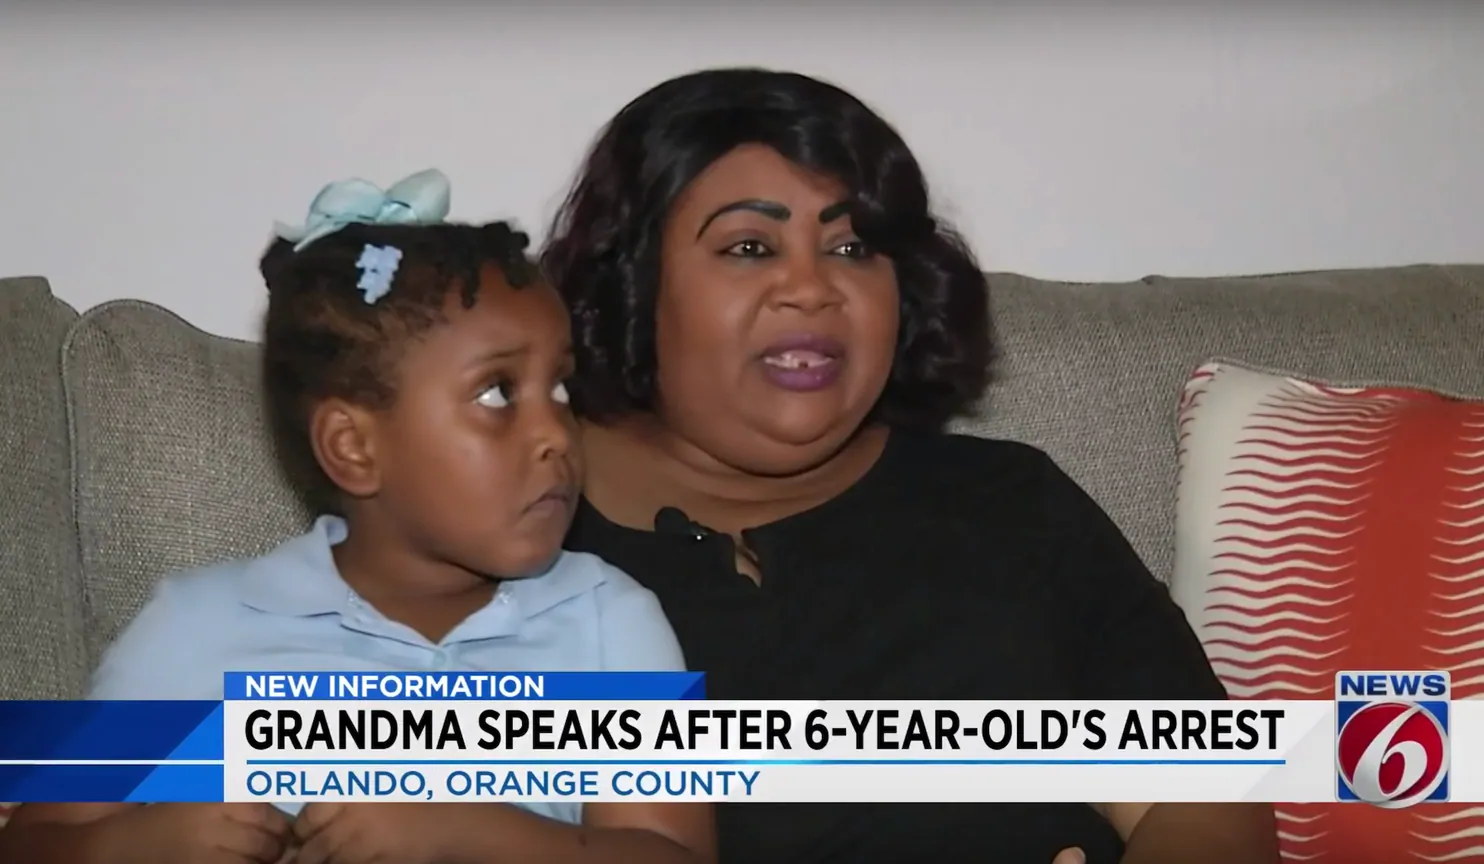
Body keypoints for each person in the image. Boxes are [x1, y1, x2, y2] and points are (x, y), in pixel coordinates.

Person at [543, 68, 1281, 864]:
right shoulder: (503, 539)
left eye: (852, 246)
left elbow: (1207, 798)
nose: (812, 287)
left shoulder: (1008, 505)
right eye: (749, 247)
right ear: (633, 285)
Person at [0, 170, 715, 864]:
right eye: (498, 395)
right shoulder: (200, 625)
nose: (557, 433)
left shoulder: (605, 620)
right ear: (354, 447)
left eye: (559, 388)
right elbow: (32, 840)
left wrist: (467, 833)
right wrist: (137, 846)